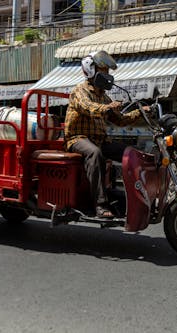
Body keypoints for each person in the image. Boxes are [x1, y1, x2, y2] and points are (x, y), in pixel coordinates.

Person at [64, 50, 149, 219]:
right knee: (94, 153)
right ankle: (100, 205)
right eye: (103, 70)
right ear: (90, 70)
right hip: (78, 139)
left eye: (107, 71)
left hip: (100, 140)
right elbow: (88, 108)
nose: (107, 75)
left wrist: (142, 112)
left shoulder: (104, 97)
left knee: (129, 153)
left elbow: (120, 120)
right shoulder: (79, 91)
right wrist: (107, 108)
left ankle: (132, 197)